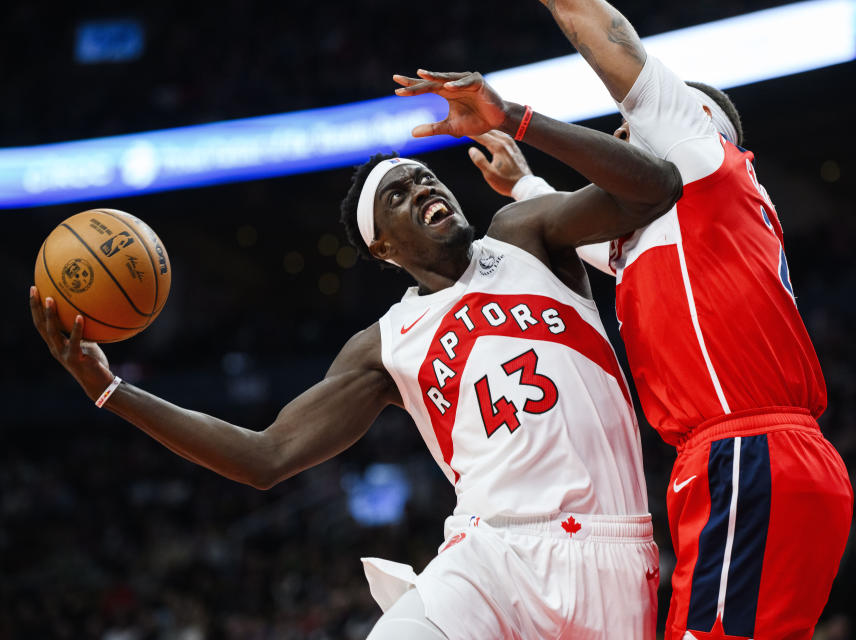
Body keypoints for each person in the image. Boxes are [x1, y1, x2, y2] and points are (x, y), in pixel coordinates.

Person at [30, 67, 682, 639]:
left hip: (612, 551)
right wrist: (113, 392)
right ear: (383, 249)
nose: (424, 190)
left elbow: (652, 188)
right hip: (490, 555)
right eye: (397, 195)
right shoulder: (384, 345)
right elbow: (267, 456)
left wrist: (518, 120)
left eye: (425, 179)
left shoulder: (524, 235)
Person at [463, 2, 855, 638]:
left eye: (629, 126)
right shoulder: (671, 227)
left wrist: (520, 106)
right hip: (752, 458)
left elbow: (611, 37)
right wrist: (524, 186)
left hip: (745, 451)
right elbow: (580, 231)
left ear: (692, 124)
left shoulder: (701, 159)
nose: (619, 138)